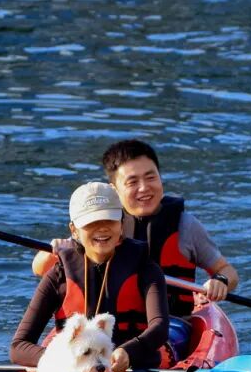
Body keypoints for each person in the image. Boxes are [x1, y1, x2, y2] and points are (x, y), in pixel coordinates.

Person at [33, 139, 239, 358]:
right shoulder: (104, 227)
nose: (144, 188)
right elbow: (40, 268)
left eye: (151, 177)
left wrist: (221, 281)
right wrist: (55, 249)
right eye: (132, 181)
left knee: (152, 348)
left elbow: (227, 271)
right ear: (114, 190)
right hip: (110, 325)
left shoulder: (186, 225)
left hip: (169, 325)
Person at [11, 182, 171, 372]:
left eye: (109, 220)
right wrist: (61, 362)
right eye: (91, 223)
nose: (102, 229)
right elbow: (18, 346)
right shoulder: (59, 275)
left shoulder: (146, 267)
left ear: (122, 224)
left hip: (134, 371)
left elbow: (160, 328)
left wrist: (128, 351)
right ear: (74, 230)